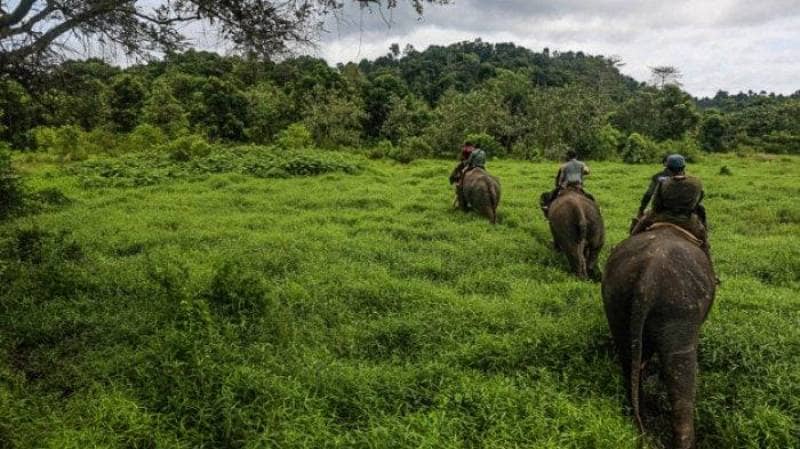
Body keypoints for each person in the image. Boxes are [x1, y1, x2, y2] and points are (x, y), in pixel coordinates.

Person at [631, 154, 710, 256]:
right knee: (704, 240)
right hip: (688, 219)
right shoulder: (695, 181)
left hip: (662, 216)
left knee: (638, 228)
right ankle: (708, 259)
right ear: (684, 167)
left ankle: (627, 245)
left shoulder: (663, 182)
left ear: (668, 168)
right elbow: (700, 198)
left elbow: (656, 205)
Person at [540, 149, 594, 215]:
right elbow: (588, 171)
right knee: (590, 197)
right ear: (576, 156)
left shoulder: (564, 166)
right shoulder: (582, 164)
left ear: (568, 156)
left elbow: (560, 179)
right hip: (578, 186)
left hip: (566, 186)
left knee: (552, 194)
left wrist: (560, 184)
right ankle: (596, 207)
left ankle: (548, 207)